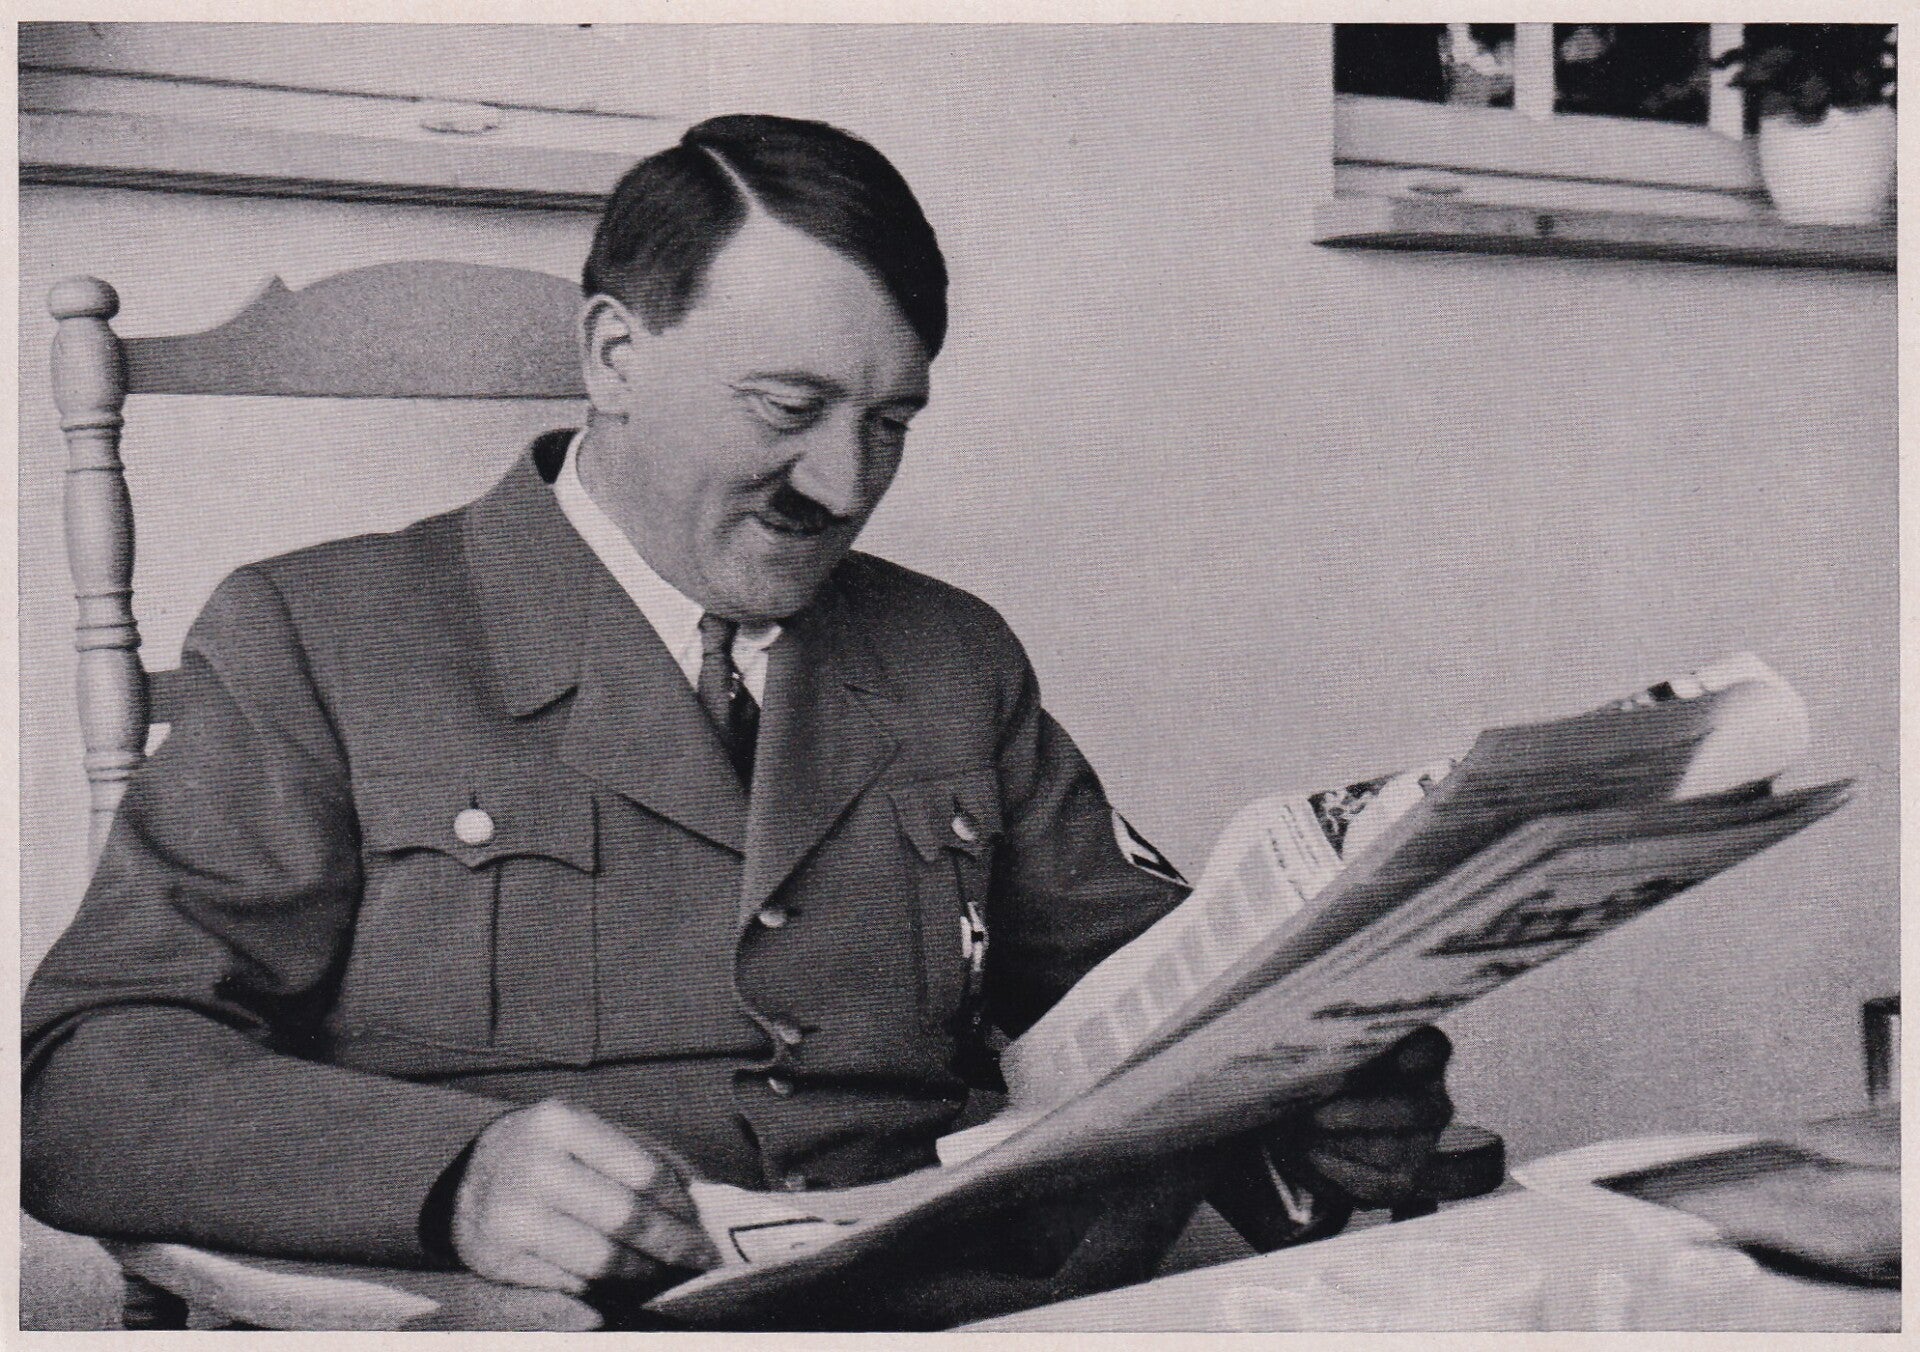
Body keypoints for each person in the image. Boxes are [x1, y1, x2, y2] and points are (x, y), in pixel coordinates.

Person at [22, 114, 1455, 1329]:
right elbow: (86, 1079)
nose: (844, 485)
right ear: (615, 355)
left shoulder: (949, 658)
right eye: (788, 407)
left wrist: (1315, 1099)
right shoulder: (323, 636)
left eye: (890, 423)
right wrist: (454, 1177)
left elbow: (1160, 1001)